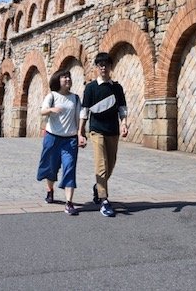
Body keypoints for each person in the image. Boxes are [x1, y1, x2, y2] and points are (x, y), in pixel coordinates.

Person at [79, 52, 128, 217]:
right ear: (96, 68)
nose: (103, 68)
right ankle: (104, 200)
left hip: (113, 131)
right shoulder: (91, 88)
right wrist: (81, 132)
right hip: (96, 130)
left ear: (110, 67)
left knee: (110, 165)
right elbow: (84, 111)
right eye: (100, 65)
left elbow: (122, 108)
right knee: (101, 164)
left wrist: (124, 124)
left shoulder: (116, 87)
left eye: (106, 65)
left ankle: (98, 187)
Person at [37, 70, 84, 215]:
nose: (68, 79)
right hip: (52, 138)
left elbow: (79, 117)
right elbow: (42, 111)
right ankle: (50, 190)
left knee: (69, 167)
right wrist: (52, 109)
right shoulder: (52, 96)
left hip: (70, 140)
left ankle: (69, 203)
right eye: (65, 77)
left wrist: (81, 134)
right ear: (58, 80)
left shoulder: (75, 98)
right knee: (51, 167)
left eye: (69, 77)